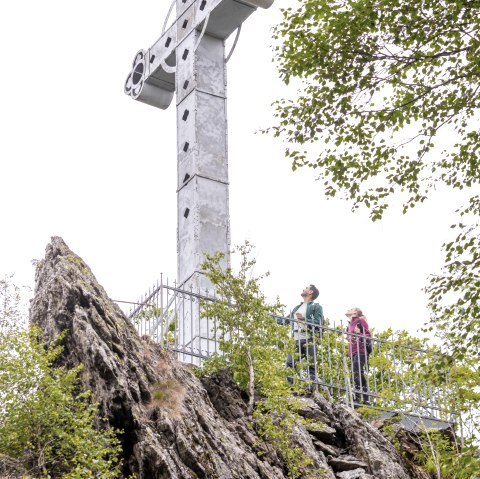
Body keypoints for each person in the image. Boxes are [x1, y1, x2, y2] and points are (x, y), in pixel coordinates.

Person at [286, 285, 324, 385]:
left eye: (306, 287)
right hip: (296, 339)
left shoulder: (316, 307)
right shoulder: (297, 308)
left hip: (309, 338)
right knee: (290, 363)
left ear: (311, 292)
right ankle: (291, 387)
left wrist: (304, 319)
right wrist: (267, 317)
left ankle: (312, 388)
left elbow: (318, 323)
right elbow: (285, 320)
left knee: (311, 365)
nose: (303, 289)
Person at [346, 307, 372, 406]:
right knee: (359, 373)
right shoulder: (350, 324)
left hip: (361, 350)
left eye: (351, 308)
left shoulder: (360, 320)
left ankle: (356, 397)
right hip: (353, 351)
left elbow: (368, 335)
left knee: (356, 372)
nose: (348, 309)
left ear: (355, 312)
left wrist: (359, 334)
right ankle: (366, 399)